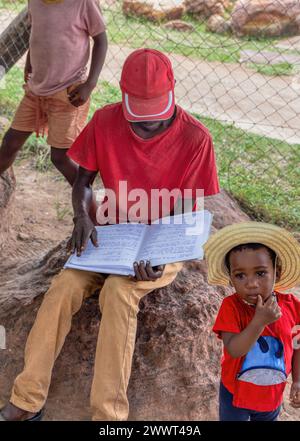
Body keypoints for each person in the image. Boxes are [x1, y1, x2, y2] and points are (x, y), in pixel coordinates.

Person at [0, 48, 220, 421]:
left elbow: (187, 212)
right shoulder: (104, 121)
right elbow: (83, 180)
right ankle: (26, 400)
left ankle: (108, 417)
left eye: (155, 117)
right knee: (63, 287)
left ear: (172, 93)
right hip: (110, 235)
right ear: (123, 95)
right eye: (139, 118)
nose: (147, 126)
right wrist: (81, 216)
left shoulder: (195, 138)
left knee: (120, 293)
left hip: (159, 244)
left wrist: (163, 255)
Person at [0, 0, 107, 188]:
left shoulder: (83, 3)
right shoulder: (35, 1)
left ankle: (88, 203)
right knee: (10, 143)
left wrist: (90, 84)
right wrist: (29, 62)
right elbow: (37, 31)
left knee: (60, 157)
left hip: (68, 93)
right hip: (36, 91)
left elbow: (101, 40)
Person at [204, 222, 300, 421]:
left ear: (277, 272)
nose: (251, 283)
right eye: (240, 275)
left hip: (272, 396)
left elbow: (297, 346)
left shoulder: (293, 307)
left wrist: (298, 380)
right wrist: (259, 322)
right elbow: (234, 349)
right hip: (235, 396)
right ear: (231, 279)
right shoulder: (231, 307)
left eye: (261, 273)